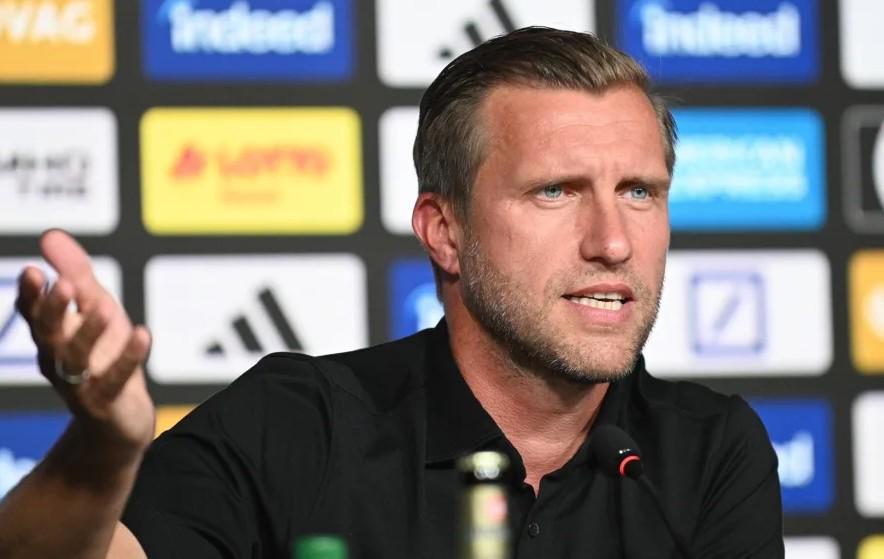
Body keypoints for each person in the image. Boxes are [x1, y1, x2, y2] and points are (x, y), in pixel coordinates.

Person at [0, 27, 784, 558]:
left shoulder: (710, 451)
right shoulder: (298, 424)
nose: (612, 241)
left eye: (640, 192)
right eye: (555, 191)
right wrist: (102, 451)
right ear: (444, 231)